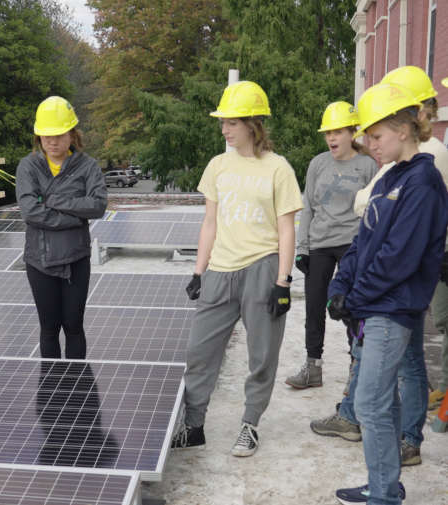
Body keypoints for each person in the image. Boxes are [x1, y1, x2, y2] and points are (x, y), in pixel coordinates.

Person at [313, 67, 448, 468]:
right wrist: (341, 287)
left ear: (405, 126)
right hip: (374, 304)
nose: (368, 144)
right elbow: (365, 239)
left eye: (375, 135)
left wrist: (353, 298)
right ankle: (386, 483)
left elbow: (398, 256)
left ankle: (387, 486)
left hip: (391, 306)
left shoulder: (423, 178)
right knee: (382, 400)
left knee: (373, 402)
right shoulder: (392, 173)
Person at [173, 81, 303, 457]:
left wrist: (283, 281)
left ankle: (250, 424)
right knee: (200, 352)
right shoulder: (217, 165)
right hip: (219, 270)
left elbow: (285, 229)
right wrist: (199, 272)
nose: (225, 129)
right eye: (223, 123)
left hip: (262, 269)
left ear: (253, 124)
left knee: (261, 354)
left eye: (232, 122)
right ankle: (194, 426)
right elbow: (210, 222)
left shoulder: (278, 168)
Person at [287, 103, 377, 391]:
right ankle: (313, 367)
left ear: (353, 132)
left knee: (351, 307)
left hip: (353, 245)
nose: (331, 138)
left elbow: (372, 211)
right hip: (320, 244)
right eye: (328, 133)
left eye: (338, 131)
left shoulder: (367, 166)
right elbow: (309, 208)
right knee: (315, 306)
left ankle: (356, 367)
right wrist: (302, 247)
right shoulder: (318, 163)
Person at [16, 96, 107, 359]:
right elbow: (30, 212)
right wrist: (75, 216)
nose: (53, 142)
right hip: (39, 260)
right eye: (46, 136)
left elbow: (97, 206)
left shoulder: (87, 165)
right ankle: (53, 392)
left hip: (76, 257)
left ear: (72, 134)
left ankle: (75, 389)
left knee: (74, 327)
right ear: (38, 137)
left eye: (59, 135)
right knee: (48, 328)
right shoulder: (28, 166)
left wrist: (53, 200)